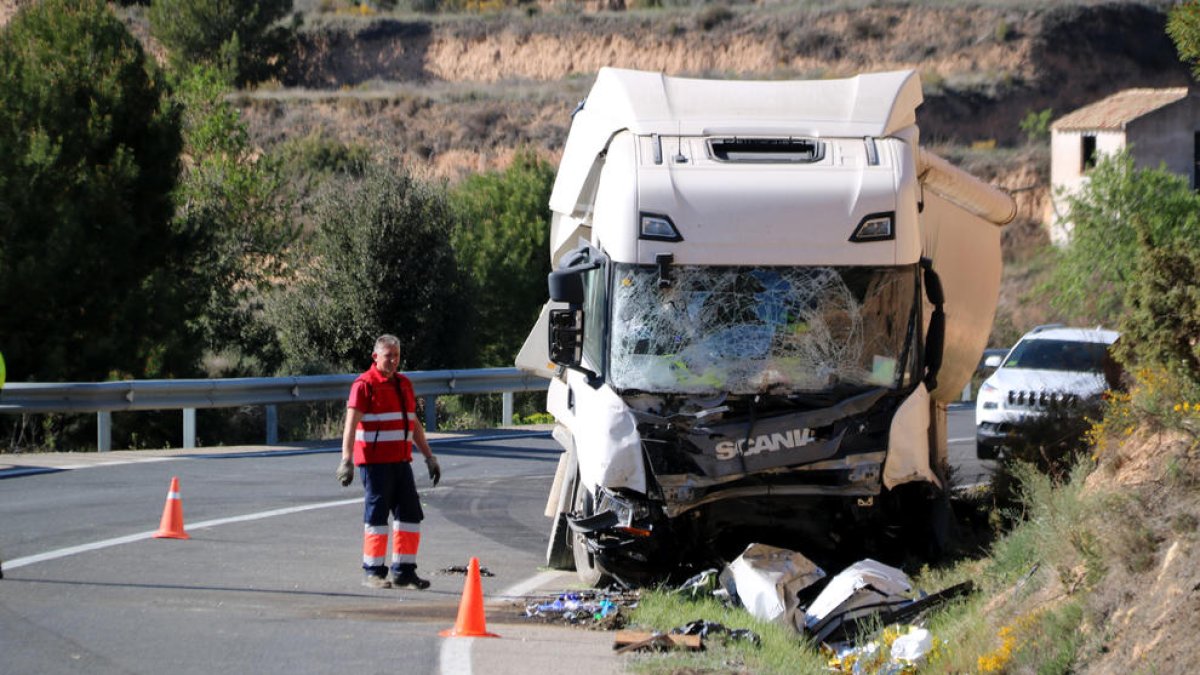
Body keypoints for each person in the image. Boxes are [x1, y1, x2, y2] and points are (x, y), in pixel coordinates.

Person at [337, 334, 442, 590]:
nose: (393, 360)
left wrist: (429, 457)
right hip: (374, 464)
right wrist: (346, 460)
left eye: (396, 355)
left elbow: (413, 423)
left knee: (409, 515)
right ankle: (373, 571)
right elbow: (350, 425)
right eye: (388, 356)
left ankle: (404, 572)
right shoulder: (364, 385)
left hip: (400, 462)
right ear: (375, 357)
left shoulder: (404, 384)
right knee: (377, 516)